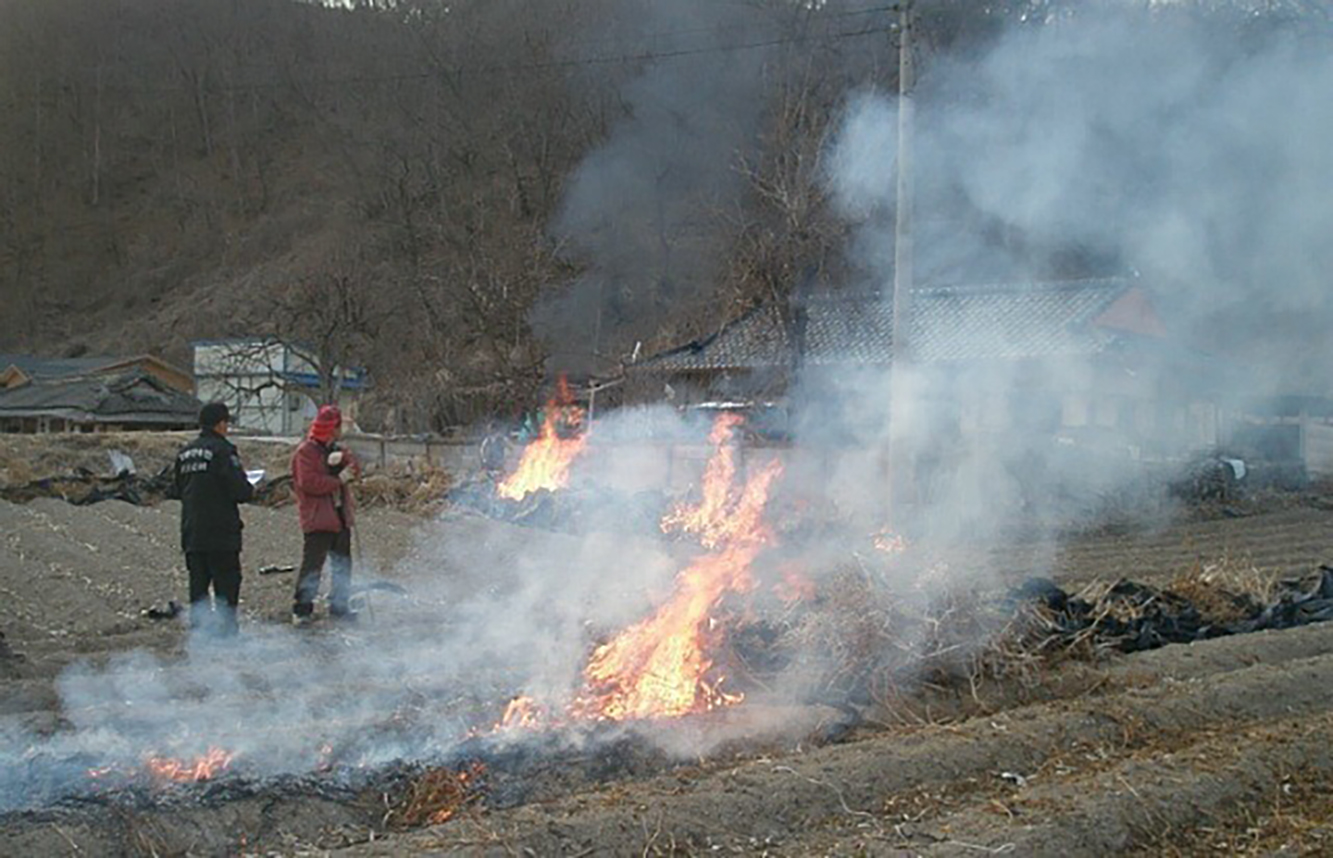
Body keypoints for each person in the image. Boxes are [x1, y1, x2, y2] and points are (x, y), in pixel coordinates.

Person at [174, 401, 255, 637]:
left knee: (198, 588)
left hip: (192, 532)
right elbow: (240, 491)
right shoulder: (223, 451)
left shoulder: (184, 453)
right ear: (221, 424)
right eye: (227, 423)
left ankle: (199, 638)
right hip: (221, 533)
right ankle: (226, 637)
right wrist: (251, 488)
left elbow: (177, 488)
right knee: (226, 587)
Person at [291, 405, 361, 625]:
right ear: (333, 427)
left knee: (342, 564)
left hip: (339, 515)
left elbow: (355, 469)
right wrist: (338, 480)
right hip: (318, 517)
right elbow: (309, 483)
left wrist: (348, 465)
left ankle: (339, 606)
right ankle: (301, 610)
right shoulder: (305, 452)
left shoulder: (336, 449)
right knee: (312, 566)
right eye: (339, 426)